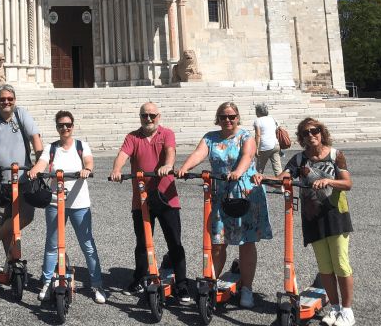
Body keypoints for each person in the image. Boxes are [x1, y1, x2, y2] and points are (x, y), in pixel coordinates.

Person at [256, 118, 355, 326]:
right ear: (301, 138)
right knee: (325, 267)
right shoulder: (299, 159)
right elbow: (283, 177)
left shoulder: (336, 155)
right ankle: (335, 308)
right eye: (306, 133)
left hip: (336, 216)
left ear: (321, 132)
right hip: (312, 218)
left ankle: (347, 311)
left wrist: (329, 180)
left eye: (315, 131)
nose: (311, 135)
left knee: (341, 264)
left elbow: (347, 183)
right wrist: (261, 177)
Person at [176, 101, 272, 309]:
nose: (227, 120)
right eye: (223, 117)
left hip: (245, 192)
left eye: (231, 116)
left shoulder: (245, 136)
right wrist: (184, 167)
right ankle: (211, 283)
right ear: (217, 119)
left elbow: (247, 156)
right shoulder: (210, 137)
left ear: (238, 118)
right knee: (218, 242)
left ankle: (247, 288)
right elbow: (199, 154)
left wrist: (238, 171)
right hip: (220, 193)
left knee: (247, 242)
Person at [109, 102, 192, 305]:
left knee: (174, 241)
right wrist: (116, 170)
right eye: (144, 116)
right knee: (142, 243)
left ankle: (181, 284)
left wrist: (168, 165)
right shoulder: (133, 137)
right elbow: (122, 155)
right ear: (140, 117)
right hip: (142, 198)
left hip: (166, 197)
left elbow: (170, 151)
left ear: (158, 116)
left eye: (152, 115)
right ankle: (139, 278)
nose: (148, 119)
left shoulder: (167, 133)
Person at [28, 110, 105, 304]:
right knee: (52, 244)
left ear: (73, 126)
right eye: (61, 125)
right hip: (55, 202)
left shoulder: (81, 145)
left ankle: (97, 284)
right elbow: (42, 163)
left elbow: (89, 161)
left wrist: (87, 169)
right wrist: (35, 171)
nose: (65, 128)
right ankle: (46, 282)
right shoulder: (51, 148)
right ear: (57, 128)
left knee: (87, 245)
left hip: (79, 203)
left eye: (68, 125)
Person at [0, 84, 43, 262]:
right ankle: (13, 267)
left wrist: (39, 162)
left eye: (9, 99)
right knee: (6, 222)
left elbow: (35, 138)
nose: (6, 102)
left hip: (24, 179)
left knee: (25, 217)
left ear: (15, 100)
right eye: (2, 99)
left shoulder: (21, 114)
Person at [253, 103, 282, 175]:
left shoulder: (257, 121)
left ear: (259, 112)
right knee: (277, 168)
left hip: (265, 147)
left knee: (259, 168)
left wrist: (256, 148)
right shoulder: (272, 119)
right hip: (275, 145)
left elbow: (258, 135)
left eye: (256, 111)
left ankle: (257, 184)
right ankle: (282, 185)